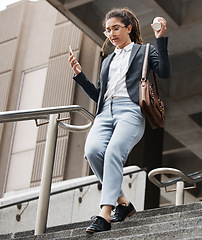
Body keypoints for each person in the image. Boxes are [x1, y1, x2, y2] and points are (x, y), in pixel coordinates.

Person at [68, 8, 171, 233]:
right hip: (105, 113)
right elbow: (99, 96)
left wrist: (161, 39)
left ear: (129, 28)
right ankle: (123, 203)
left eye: (116, 28)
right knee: (93, 152)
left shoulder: (144, 51)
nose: (111, 34)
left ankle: (105, 214)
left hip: (130, 111)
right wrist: (80, 76)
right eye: (108, 30)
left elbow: (164, 72)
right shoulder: (108, 61)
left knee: (113, 152)